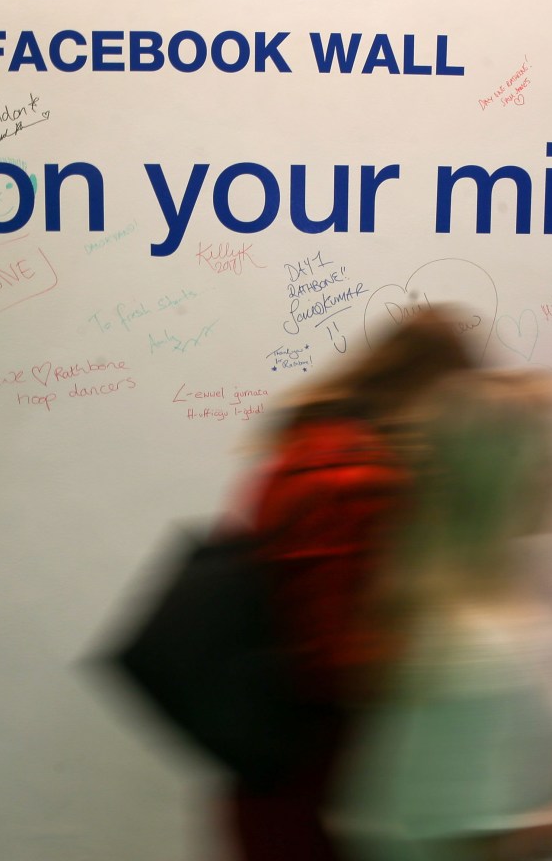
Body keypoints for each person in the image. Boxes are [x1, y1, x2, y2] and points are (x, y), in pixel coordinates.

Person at [330, 370, 552, 861]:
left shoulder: (466, 616)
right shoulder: (476, 647)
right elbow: (469, 840)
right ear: (518, 479)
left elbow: (477, 771)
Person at [218, 306, 481, 861]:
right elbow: (342, 658)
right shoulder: (356, 476)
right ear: (435, 392)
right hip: (317, 769)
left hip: (267, 749)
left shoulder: (305, 443)